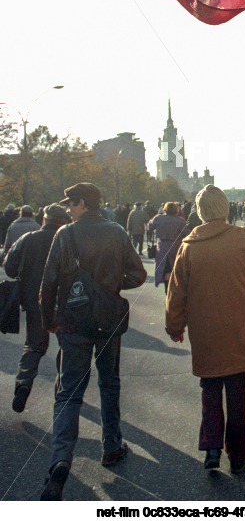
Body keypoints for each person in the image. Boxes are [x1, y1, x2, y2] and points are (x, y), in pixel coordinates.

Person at [166, 185, 245, 473]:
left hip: (204, 331)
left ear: (199, 212)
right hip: (238, 328)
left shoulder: (188, 247)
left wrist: (175, 326)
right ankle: (237, 454)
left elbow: (176, 293)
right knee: (237, 394)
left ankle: (211, 449)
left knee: (209, 390)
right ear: (226, 209)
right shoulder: (240, 238)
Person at [38, 182, 147, 501]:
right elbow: (138, 275)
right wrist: (111, 288)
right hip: (108, 320)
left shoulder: (65, 234)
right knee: (110, 383)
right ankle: (112, 447)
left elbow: (49, 283)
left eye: (71, 203)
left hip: (72, 322)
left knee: (69, 392)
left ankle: (60, 459)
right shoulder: (116, 231)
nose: (68, 208)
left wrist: (50, 321)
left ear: (84, 203)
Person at [4, 204, 70, 413]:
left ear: (44, 218)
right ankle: (62, 390)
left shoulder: (29, 238)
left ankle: (23, 384)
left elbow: (9, 267)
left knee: (33, 346)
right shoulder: (68, 240)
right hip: (63, 302)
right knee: (66, 347)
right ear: (64, 222)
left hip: (34, 300)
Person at [148, 202, 188, 292]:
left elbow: (149, 227)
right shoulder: (180, 220)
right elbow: (187, 234)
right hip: (176, 247)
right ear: (176, 210)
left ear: (164, 209)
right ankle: (172, 290)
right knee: (174, 269)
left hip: (162, 247)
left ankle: (167, 290)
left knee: (164, 269)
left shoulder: (158, 218)